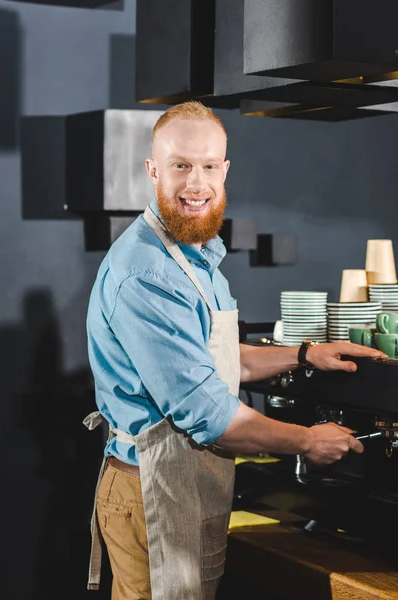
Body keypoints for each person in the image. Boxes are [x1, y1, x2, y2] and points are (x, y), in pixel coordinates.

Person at [85, 101, 386, 600]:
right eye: (180, 166)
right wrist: (309, 441)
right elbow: (208, 412)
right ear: (153, 170)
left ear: (225, 170)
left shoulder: (192, 254)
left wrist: (305, 355)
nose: (196, 183)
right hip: (151, 489)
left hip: (183, 482)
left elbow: (218, 361)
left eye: (208, 166)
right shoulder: (147, 273)